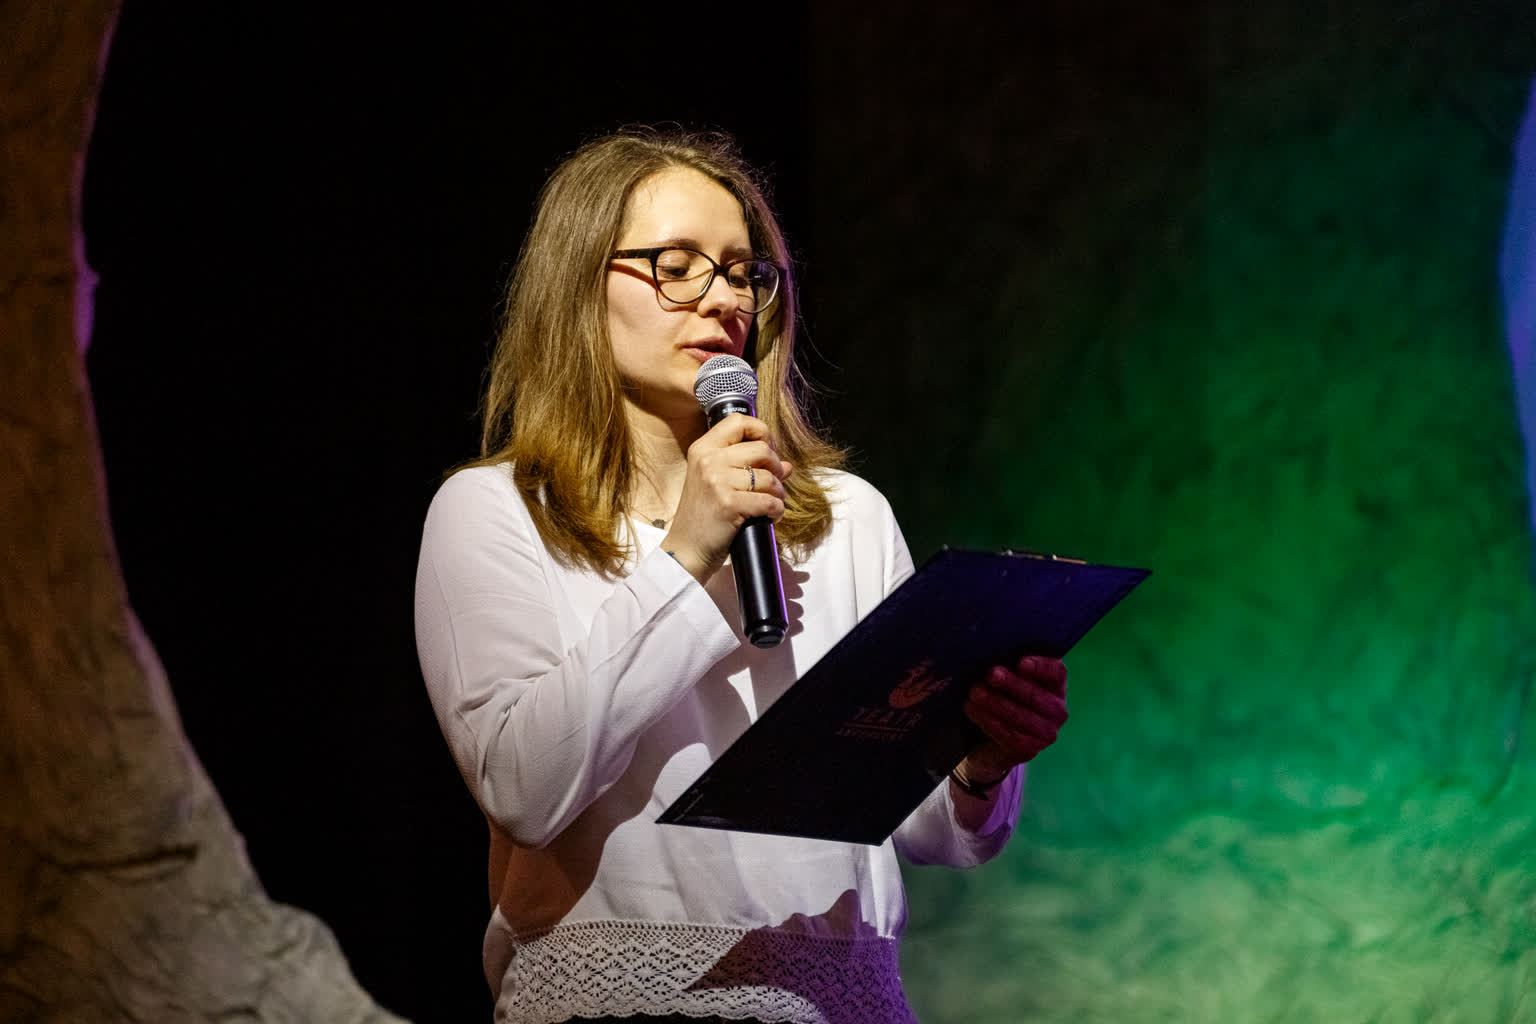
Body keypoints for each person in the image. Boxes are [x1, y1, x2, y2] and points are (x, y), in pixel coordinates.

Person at [413, 127, 1070, 1024]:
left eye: (742, 272)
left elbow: (926, 830)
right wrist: (686, 557)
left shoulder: (845, 517)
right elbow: (525, 789)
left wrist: (978, 759)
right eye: (677, 266)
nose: (722, 298)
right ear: (579, 284)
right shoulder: (496, 511)